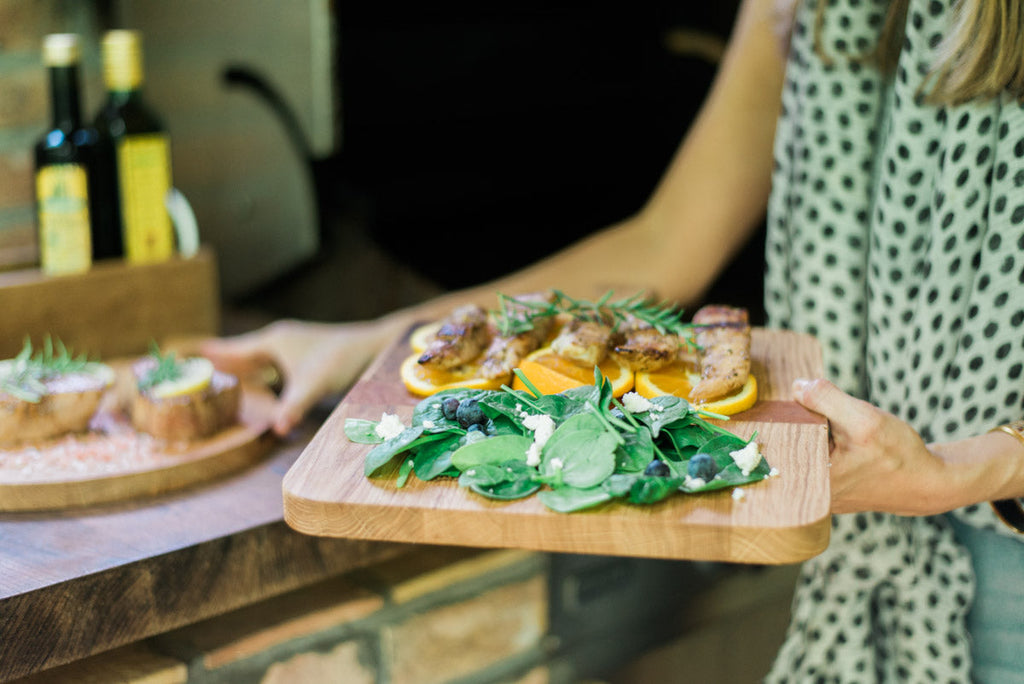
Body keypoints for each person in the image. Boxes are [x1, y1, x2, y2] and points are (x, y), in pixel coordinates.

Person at [203, 0, 1024, 680]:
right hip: (860, 560)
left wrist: (968, 466)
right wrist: (384, 341)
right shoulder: (793, 8)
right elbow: (665, 243)